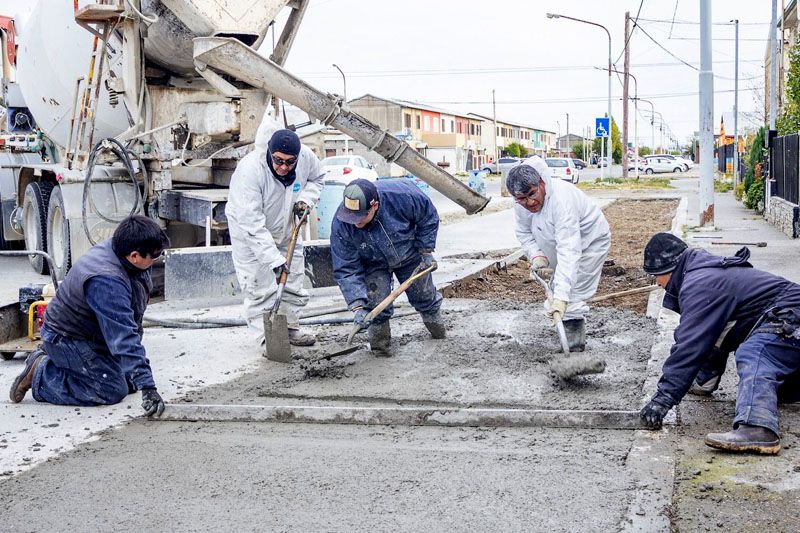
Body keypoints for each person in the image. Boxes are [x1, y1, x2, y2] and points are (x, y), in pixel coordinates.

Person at [639, 232, 800, 454]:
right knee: (778, 389)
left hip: (790, 316)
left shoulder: (700, 283)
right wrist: (702, 381)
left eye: (656, 276)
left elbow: (690, 345)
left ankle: (758, 429)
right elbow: (712, 335)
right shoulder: (702, 275)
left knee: (754, 352)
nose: (657, 283)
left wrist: (663, 399)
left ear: (669, 271)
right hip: (785, 320)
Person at [9, 215, 170, 416]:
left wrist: (137, 374)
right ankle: (41, 373)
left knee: (128, 381)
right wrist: (148, 388)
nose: (158, 258)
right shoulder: (106, 281)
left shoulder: (124, 249)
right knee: (110, 390)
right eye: (155, 255)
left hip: (93, 333)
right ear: (135, 255)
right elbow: (123, 336)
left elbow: (131, 318)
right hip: (67, 338)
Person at [225, 128, 324, 347]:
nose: (283, 167)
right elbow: (251, 222)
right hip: (249, 233)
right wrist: (273, 260)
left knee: (293, 279)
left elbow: (318, 178)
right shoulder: (251, 170)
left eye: (290, 163)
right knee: (258, 284)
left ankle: (290, 328)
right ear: (270, 153)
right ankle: (267, 339)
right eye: (278, 161)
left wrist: (306, 200)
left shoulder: (307, 157)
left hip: (287, 226)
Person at [506, 156, 611, 351]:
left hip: (590, 242)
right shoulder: (520, 203)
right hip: (554, 241)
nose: (529, 202)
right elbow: (523, 231)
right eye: (521, 198)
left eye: (532, 194)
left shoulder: (561, 200)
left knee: (571, 294)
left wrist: (562, 297)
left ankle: (574, 348)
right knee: (556, 290)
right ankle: (567, 329)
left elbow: (569, 250)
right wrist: (537, 255)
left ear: (542, 183)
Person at [330, 178, 444, 357]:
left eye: (360, 217)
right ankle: (380, 351)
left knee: (424, 295)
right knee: (375, 304)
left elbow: (427, 217)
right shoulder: (342, 224)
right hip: (372, 262)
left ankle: (439, 333)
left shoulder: (402, 196)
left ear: (374, 205)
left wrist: (426, 250)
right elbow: (346, 268)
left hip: (409, 252)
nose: (355, 223)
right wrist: (358, 306)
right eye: (351, 217)